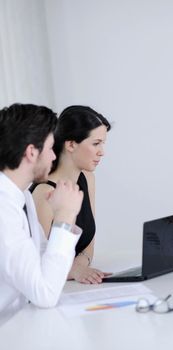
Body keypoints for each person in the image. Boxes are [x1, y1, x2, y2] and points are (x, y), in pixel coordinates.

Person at [0, 103, 83, 324]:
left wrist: (63, 215)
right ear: (31, 152)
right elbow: (45, 294)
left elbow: (44, 259)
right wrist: (65, 215)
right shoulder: (3, 209)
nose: (54, 157)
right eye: (50, 149)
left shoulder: (22, 196)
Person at [31, 106, 111, 284]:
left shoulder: (88, 179)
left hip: (72, 286)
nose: (102, 152)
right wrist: (74, 270)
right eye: (96, 143)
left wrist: (78, 268)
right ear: (71, 144)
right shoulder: (44, 194)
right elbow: (38, 265)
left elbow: (88, 245)